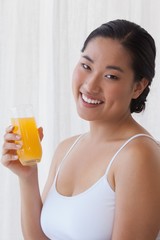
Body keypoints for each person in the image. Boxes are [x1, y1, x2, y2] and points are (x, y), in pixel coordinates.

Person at [1, 19, 160, 240]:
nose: (90, 86)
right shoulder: (66, 148)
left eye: (110, 76)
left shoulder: (139, 155)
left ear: (138, 87)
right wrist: (27, 177)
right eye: (86, 66)